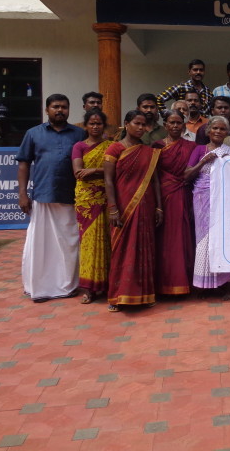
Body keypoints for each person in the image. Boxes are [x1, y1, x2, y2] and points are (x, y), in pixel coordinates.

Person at [17, 94, 84, 303]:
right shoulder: (33, 133)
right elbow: (23, 164)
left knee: (69, 244)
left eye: (64, 107)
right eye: (56, 107)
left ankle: (67, 286)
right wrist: (22, 194)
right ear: (47, 110)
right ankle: (40, 288)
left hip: (71, 197)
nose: (60, 110)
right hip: (43, 196)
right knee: (41, 246)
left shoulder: (79, 134)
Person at [103, 110, 163, 312]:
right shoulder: (115, 148)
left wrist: (159, 206)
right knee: (121, 250)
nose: (140, 127)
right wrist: (113, 208)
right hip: (122, 206)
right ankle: (117, 296)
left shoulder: (148, 151)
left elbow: (155, 180)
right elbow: (108, 180)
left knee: (144, 249)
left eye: (143, 124)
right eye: (136, 123)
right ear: (126, 124)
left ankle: (145, 295)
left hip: (145, 206)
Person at [184, 116, 230, 300]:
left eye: (222, 129)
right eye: (215, 128)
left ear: (227, 132)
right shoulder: (199, 150)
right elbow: (186, 175)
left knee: (223, 240)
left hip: (224, 200)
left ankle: (225, 284)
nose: (218, 131)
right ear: (208, 131)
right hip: (202, 199)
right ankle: (204, 285)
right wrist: (204, 161)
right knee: (204, 240)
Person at [152, 110, 197, 296]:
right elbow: (154, 176)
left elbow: (194, 173)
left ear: (184, 125)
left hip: (184, 194)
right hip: (164, 196)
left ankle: (183, 281)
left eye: (179, 123)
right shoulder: (157, 146)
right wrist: (157, 205)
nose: (176, 126)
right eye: (172, 122)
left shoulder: (192, 146)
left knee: (183, 236)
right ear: (165, 125)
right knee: (165, 239)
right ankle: (164, 283)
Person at [71, 108, 112, 304]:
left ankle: (107, 285)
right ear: (86, 126)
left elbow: (115, 169)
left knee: (107, 241)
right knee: (88, 243)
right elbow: (78, 172)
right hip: (86, 201)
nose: (95, 127)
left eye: (99, 123)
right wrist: (102, 171)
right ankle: (89, 289)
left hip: (107, 198)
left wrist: (94, 170)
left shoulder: (110, 146)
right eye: (92, 124)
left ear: (104, 126)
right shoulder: (79, 146)